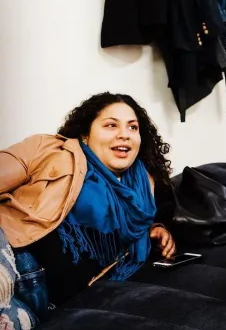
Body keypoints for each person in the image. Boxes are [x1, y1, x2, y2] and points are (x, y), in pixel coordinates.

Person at [0, 92, 177, 317]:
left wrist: (154, 229)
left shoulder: (145, 184)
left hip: (57, 307)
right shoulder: (50, 151)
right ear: (85, 134)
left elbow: (126, 234)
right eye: (111, 125)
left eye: (133, 127)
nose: (124, 134)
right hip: (19, 271)